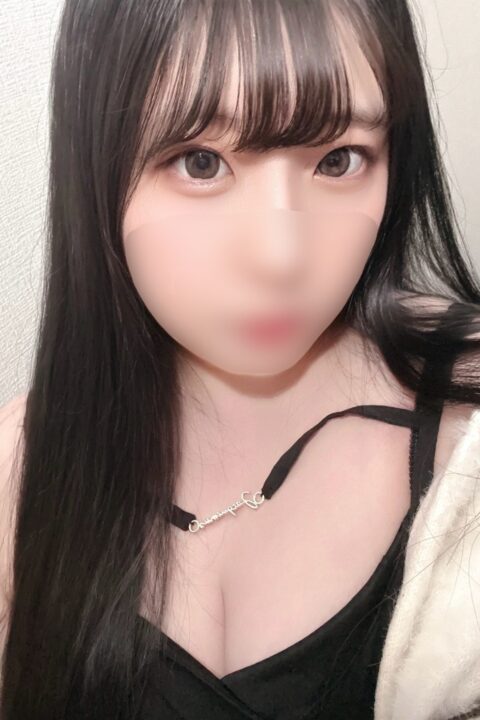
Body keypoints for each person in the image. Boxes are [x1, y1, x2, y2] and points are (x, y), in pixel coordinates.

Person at [0, 0, 479, 718]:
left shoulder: (466, 428)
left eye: (339, 159)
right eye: (201, 162)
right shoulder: (21, 465)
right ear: (95, 167)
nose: (282, 259)